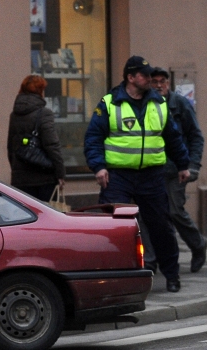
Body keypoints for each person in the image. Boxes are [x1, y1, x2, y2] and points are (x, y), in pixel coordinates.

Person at [84, 56, 190, 293]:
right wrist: (98, 167)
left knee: (161, 226)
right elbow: (93, 138)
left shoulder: (159, 103)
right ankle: (109, 278)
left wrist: (183, 164)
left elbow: (172, 137)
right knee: (113, 226)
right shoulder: (110, 103)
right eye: (144, 75)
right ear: (131, 78)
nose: (150, 79)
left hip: (151, 176)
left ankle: (171, 275)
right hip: (117, 176)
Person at [150, 67, 206, 273]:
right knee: (154, 215)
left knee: (175, 211)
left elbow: (196, 137)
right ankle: (154, 259)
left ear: (168, 83)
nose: (158, 85)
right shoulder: (148, 105)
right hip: (153, 169)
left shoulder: (180, 104)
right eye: (154, 81)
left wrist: (192, 166)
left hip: (176, 170)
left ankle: (198, 244)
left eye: (162, 81)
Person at [6, 74, 66, 202]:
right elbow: (52, 145)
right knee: (47, 217)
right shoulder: (44, 113)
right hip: (44, 179)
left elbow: (11, 147)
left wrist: (16, 171)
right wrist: (60, 173)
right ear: (40, 91)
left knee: (26, 218)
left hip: (20, 180)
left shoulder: (14, 114)